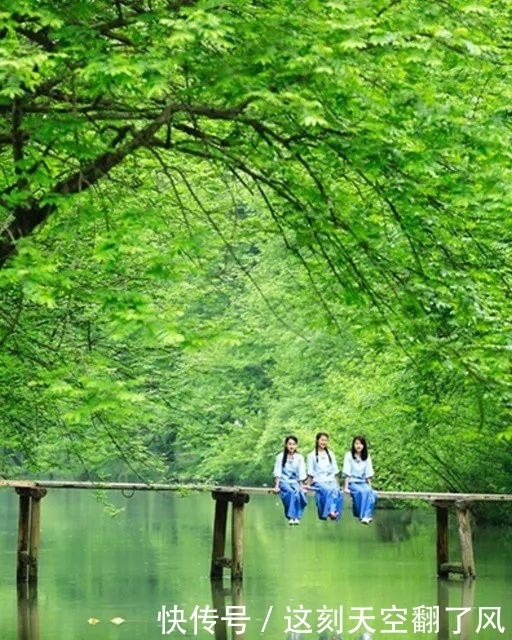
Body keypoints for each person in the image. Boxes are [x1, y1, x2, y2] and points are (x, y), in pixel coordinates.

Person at [305, 432, 343, 522]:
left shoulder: (331, 454)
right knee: (327, 490)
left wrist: (337, 485)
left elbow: (335, 471)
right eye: (322, 440)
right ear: (317, 440)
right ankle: (329, 511)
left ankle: (333, 512)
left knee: (337, 491)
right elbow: (310, 473)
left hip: (330, 479)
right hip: (318, 480)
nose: (324, 442)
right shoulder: (311, 455)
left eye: (326, 440)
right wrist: (307, 485)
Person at [273, 435, 308, 525]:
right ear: (286, 445)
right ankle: (291, 516)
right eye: (289, 444)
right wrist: (276, 486)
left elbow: (301, 472)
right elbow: (278, 472)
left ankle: (296, 517)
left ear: (296, 446)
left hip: (294, 481)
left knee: (298, 493)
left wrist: (302, 487)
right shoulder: (280, 457)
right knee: (290, 492)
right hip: (283, 481)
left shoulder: (299, 457)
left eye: (293, 444)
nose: (291, 446)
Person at [342, 435, 377, 524]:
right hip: (352, 481)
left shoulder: (366, 456)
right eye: (357, 443)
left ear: (364, 446)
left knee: (372, 493)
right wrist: (346, 487)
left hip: (362, 481)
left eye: (361, 444)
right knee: (362, 492)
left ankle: (366, 516)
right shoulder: (349, 455)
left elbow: (368, 472)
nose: (359, 446)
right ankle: (363, 515)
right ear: (353, 444)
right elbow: (347, 472)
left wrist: (370, 487)